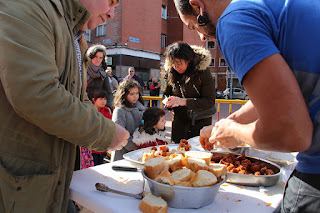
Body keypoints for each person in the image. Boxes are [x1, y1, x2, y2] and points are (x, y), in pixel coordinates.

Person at [173, 0, 318, 212]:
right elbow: (278, 93)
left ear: (198, 6)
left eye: (194, 26)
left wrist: (237, 133)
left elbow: (293, 134)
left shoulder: (233, 21)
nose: (202, 37)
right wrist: (231, 122)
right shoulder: (272, 8)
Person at [0, 0, 129, 212]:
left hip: (47, 184)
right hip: (18, 187)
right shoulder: (30, 7)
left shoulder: (73, 33)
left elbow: (77, 98)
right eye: (111, 2)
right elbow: (37, 94)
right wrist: (105, 132)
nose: (112, 13)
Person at [163, 41, 216, 144]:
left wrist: (184, 102)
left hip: (200, 123)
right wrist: (167, 101)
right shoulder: (171, 71)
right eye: (173, 64)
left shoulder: (203, 72)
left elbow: (209, 101)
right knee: (178, 154)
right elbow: (166, 93)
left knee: (198, 154)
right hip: (179, 123)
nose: (176, 67)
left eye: (179, 63)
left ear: (189, 60)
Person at [112, 79, 146, 160]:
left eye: (137, 93)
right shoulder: (119, 110)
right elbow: (119, 133)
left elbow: (143, 124)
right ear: (124, 94)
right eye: (131, 94)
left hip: (138, 150)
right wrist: (133, 146)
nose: (135, 96)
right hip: (122, 152)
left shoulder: (140, 108)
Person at [81, 90, 113, 167]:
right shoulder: (90, 111)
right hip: (91, 147)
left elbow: (110, 124)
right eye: (101, 99)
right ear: (94, 100)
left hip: (102, 145)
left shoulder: (107, 111)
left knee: (101, 164)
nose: (103, 101)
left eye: (105, 99)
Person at [86, 44, 114, 109]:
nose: (98, 60)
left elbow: (109, 93)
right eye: (95, 57)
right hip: (84, 108)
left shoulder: (103, 74)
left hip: (98, 109)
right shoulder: (83, 70)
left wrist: (108, 107)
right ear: (90, 57)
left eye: (100, 58)